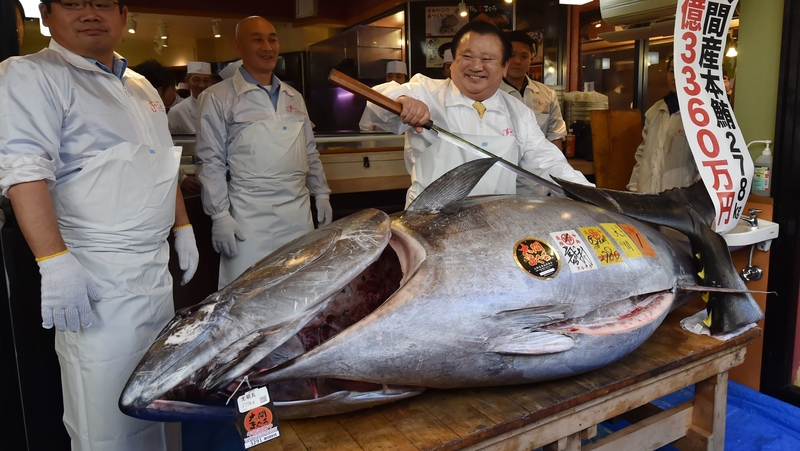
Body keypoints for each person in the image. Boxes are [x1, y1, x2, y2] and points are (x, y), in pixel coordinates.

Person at [0, 1, 199, 449]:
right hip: (92, 275)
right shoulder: (29, 74)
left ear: (124, 16)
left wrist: (181, 227)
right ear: (45, 15)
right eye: (72, 2)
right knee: (106, 415)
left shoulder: (140, 84)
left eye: (103, 2)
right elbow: (23, 171)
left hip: (153, 273)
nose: (90, 12)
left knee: (160, 399)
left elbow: (161, 164)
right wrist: (54, 261)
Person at [364, 20, 590, 206]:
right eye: (467, 56)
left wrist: (594, 198)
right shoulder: (426, 91)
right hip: (428, 223)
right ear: (453, 61)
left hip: (494, 224)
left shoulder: (518, 112)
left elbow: (549, 163)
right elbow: (376, 107)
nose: (476, 66)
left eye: (488, 59)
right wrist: (402, 101)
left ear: (504, 66)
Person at [196, 16, 333, 288]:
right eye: (257, 39)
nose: (267, 46)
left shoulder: (294, 96)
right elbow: (209, 160)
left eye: (272, 38)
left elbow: (309, 150)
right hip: (248, 215)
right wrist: (219, 215)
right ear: (238, 47)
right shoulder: (217, 96)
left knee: (298, 287)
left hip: (297, 211)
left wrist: (321, 193)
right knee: (247, 291)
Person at [627, 55, 699, 193]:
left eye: (681, 72)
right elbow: (642, 155)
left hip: (679, 197)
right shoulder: (654, 110)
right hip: (647, 193)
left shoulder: (698, 115)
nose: (675, 77)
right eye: (672, 71)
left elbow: (703, 166)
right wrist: (634, 187)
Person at [500, 31, 566, 152]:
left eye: (524, 56)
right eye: (511, 55)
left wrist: (557, 169)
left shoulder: (547, 94)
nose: (518, 61)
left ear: (532, 57)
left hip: (538, 165)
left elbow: (555, 135)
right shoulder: (491, 92)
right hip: (504, 162)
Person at [359, 61, 410, 131]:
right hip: (380, 140)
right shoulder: (376, 97)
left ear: (406, 81)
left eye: (398, 77)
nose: (393, 80)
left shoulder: (412, 98)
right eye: (389, 77)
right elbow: (365, 127)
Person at [168, 61, 214, 134]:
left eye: (206, 80)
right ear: (187, 81)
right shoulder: (177, 112)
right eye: (196, 80)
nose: (201, 85)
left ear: (211, 82)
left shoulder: (221, 107)